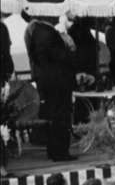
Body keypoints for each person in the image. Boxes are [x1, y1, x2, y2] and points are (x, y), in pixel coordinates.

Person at [24, 15, 76, 161]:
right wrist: (69, 46)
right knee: (61, 115)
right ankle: (60, 151)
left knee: (53, 115)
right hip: (58, 80)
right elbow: (60, 57)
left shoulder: (36, 31)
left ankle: (54, 150)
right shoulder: (47, 32)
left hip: (47, 79)